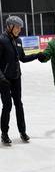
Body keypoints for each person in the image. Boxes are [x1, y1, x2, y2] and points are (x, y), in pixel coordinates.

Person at [0, 16, 41, 144]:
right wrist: (1, 77)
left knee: (19, 104)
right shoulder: (1, 40)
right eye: (17, 27)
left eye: (20, 28)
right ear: (10, 26)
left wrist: (36, 55)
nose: (19, 30)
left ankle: (22, 131)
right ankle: (4, 133)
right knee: (7, 105)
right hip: (4, 80)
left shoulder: (18, 41)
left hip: (16, 77)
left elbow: (22, 58)